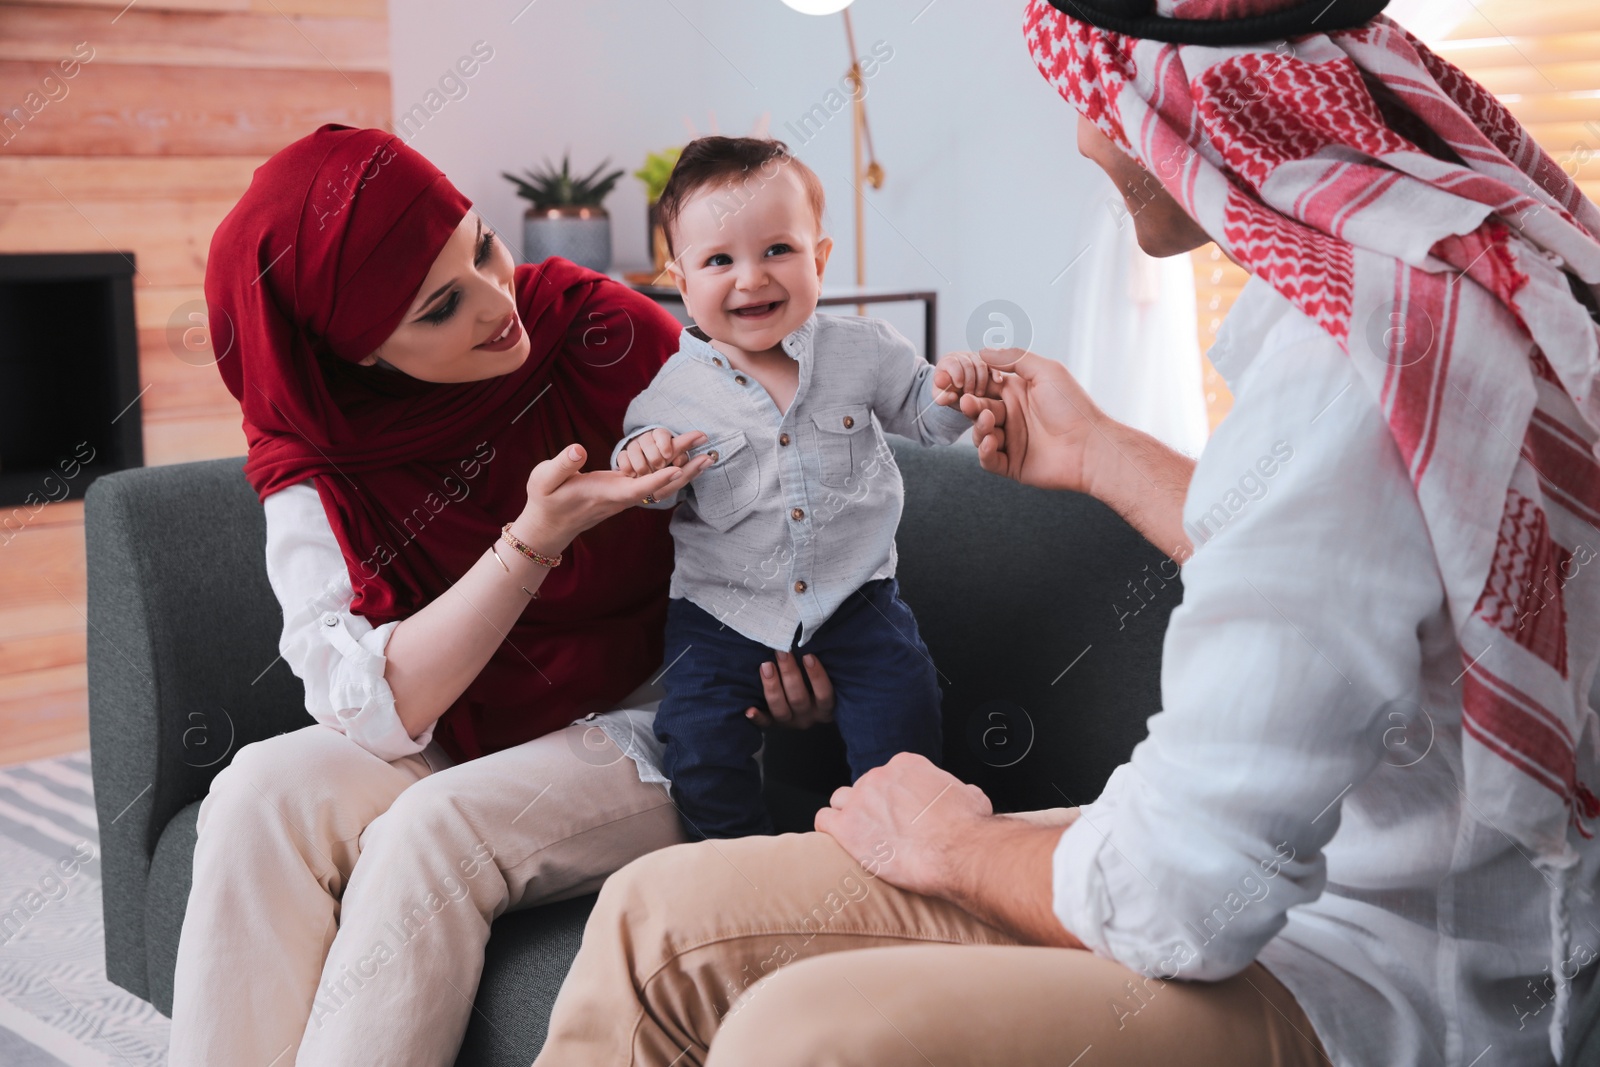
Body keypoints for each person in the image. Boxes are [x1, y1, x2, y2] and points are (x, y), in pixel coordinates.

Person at [531, 1, 1600, 1064]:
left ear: (1186, 100)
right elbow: (1368, 566)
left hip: (1362, 970)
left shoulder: (1352, 382)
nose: (1085, 134)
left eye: (1092, 94)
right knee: (647, 917)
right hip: (1298, 885)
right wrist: (1097, 453)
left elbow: (1183, 896)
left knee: (795, 1031)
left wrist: (955, 840)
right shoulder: (1410, 310)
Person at [165, 124, 840, 1066]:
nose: (497, 302)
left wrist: (804, 654)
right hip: (465, 717)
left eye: (484, 246)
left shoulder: (595, 329)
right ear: (357, 356)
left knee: (426, 836)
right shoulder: (316, 452)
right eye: (441, 306)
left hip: (664, 712)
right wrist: (533, 543)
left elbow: (791, 497)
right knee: (254, 796)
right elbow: (367, 708)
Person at [610, 136, 984, 839]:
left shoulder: (864, 350)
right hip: (722, 612)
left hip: (857, 597)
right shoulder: (674, 390)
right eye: (719, 260)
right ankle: (737, 861)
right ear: (680, 282)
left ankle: (903, 846)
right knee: (695, 736)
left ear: (820, 258)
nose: (751, 278)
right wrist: (644, 457)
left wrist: (963, 389)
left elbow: (926, 419)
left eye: (777, 250)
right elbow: (646, 485)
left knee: (905, 707)